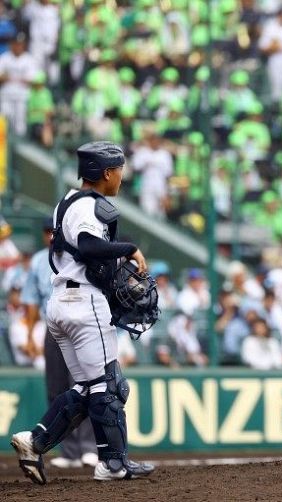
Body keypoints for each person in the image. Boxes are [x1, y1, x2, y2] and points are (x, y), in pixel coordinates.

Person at [10, 141, 154, 484]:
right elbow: (89, 246)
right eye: (118, 170)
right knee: (110, 386)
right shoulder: (88, 205)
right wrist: (129, 249)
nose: (121, 177)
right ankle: (114, 464)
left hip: (62, 303)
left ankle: (36, 441)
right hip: (83, 303)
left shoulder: (67, 202)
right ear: (106, 173)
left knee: (91, 388)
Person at [20, 216, 98, 469]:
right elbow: (31, 300)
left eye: (53, 231)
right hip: (52, 327)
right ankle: (69, 450)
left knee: (84, 386)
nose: (50, 236)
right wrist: (30, 335)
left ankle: (89, 447)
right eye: (46, 232)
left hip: (78, 325)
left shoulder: (77, 255)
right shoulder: (38, 261)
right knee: (56, 389)